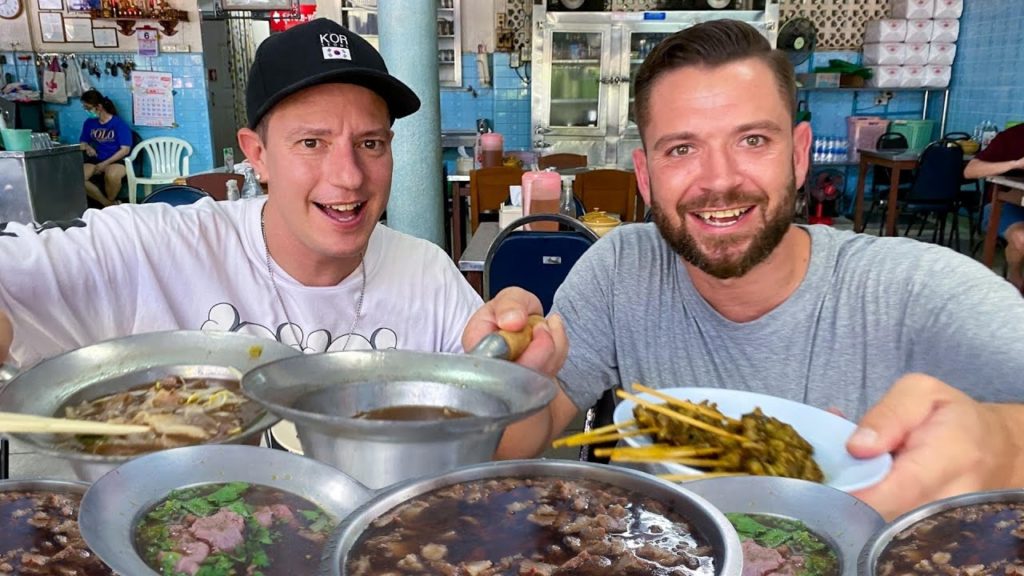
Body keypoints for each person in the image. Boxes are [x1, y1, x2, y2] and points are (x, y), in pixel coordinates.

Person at [468, 20, 1024, 520]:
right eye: (681, 149)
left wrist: (1004, 442)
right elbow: (526, 437)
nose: (719, 180)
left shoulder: (914, 289)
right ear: (645, 175)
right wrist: (507, 386)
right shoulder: (621, 271)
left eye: (753, 140)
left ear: (799, 155)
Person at [0, 19, 481, 370]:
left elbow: (501, 434)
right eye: (311, 143)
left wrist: (517, 367)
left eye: (370, 143)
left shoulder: (427, 275)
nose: (349, 177)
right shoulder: (157, 248)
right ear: (258, 155)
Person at [964, 123, 1024, 291]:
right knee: (1021, 238)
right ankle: (1015, 281)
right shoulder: (1012, 137)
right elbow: (970, 171)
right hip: (1004, 206)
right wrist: (1016, 164)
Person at [80, 89, 133, 207]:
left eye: (88, 108)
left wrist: (105, 164)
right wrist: (88, 147)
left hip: (116, 159)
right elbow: (82, 142)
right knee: (79, 177)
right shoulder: (89, 123)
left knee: (112, 175)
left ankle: (109, 201)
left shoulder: (119, 124)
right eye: (85, 108)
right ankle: (108, 204)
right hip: (96, 158)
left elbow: (125, 150)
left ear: (99, 107)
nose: (87, 111)